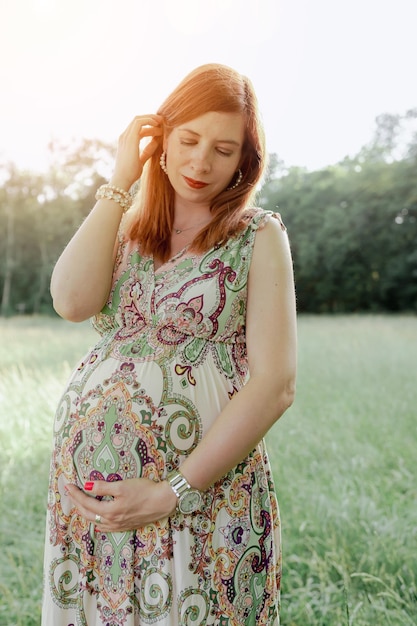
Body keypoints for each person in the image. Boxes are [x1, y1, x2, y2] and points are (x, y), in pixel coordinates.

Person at [42, 63, 297, 626]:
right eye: (188, 139)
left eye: (224, 149)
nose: (201, 162)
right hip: (92, 511)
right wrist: (119, 181)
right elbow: (71, 301)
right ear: (159, 139)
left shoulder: (257, 235)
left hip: (200, 502)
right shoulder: (127, 227)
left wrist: (172, 491)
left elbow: (275, 385)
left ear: (244, 162)